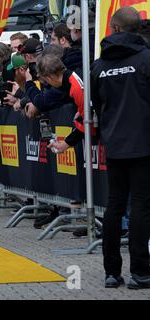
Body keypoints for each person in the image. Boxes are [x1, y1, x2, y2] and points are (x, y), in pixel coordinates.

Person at [90, 7, 150, 290]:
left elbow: (95, 105)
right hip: (143, 144)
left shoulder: (99, 66)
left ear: (113, 28)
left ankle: (111, 272)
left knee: (114, 205)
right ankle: (140, 271)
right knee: (139, 206)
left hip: (113, 144)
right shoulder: (146, 59)